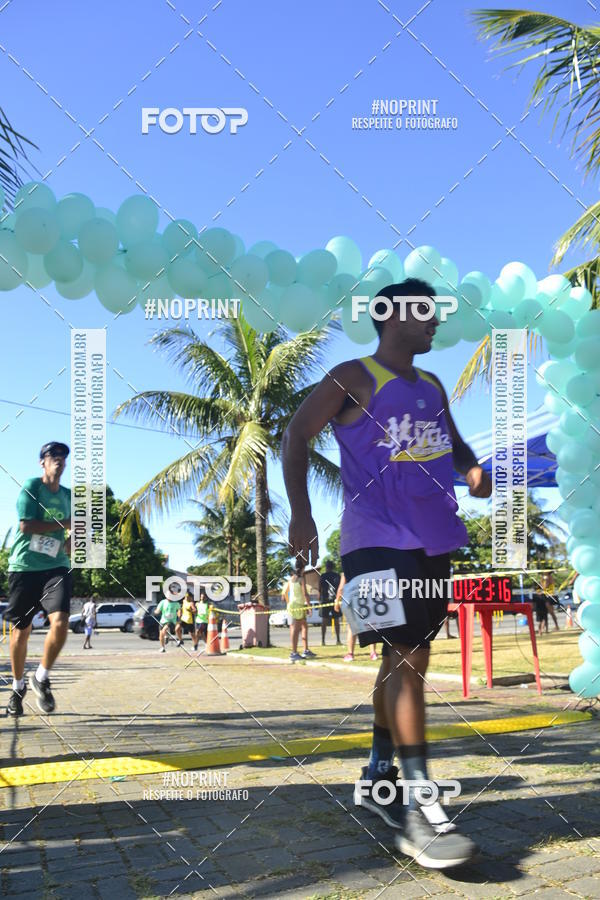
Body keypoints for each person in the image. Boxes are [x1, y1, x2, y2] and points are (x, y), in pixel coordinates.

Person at [282, 279, 492, 868]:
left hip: (434, 540)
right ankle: (420, 808)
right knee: (405, 656)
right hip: (372, 539)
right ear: (392, 315)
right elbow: (296, 433)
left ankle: (378, 778)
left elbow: (455, 444)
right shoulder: (353, 376)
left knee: (403, 656)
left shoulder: (431, 385)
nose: (435, 322)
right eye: (425, 312)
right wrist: (301, 512)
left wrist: (474, 470)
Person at [5, 442, 72, 717]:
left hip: (56, 567)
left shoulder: (69, 496)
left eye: (63, 457)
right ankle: (18, 687)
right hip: (25, 567)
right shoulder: (32, 487)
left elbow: (73, 537)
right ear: (42, 462)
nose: (59, 460)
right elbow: (27, 526)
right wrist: (65, 524)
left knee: (62, 620)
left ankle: (41, 677)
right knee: (22, 631)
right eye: (52, 456)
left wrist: (76, 540)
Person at [282, 559, 315, 662]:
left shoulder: (291, 579)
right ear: (303, 568)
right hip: (299, 606)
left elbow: (284, 594)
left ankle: (305, 650)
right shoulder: (301, 579)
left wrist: (289, 602)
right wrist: (309, 607)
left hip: (293, 605)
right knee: (296, 629)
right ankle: (294, 653)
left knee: (303, 626)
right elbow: (305, 594)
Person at [338, 574, 377, 662]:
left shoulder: (346, 570)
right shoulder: (365, 568)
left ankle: (350, 654)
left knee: (352, 628)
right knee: (370, 626)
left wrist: (337, 600)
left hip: (353, 600)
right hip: (366, 599)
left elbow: (341, 588)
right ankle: (373, 653)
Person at [319, 560, 342, 645]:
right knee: (336, 620)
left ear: (326, 567)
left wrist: (319, 599)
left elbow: (319, 588)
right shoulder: (337, 576)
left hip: (325, 600)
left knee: (324, 621)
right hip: (335, 600)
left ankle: (323, 641)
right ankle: (338, 640)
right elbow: (340, 588)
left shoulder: (323, 576)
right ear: (333, 567)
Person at [193, 587, 209, 651]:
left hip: (204, 621)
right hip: (198, 620)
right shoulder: (197, 604)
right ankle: (196, 645)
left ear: (206, 597)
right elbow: (195, 611)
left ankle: (204, 644)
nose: (202, 597)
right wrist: (194, 611)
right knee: (199, 634)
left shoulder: (208, 604)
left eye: (203, 597)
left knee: (198, 632)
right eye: (201, 596)